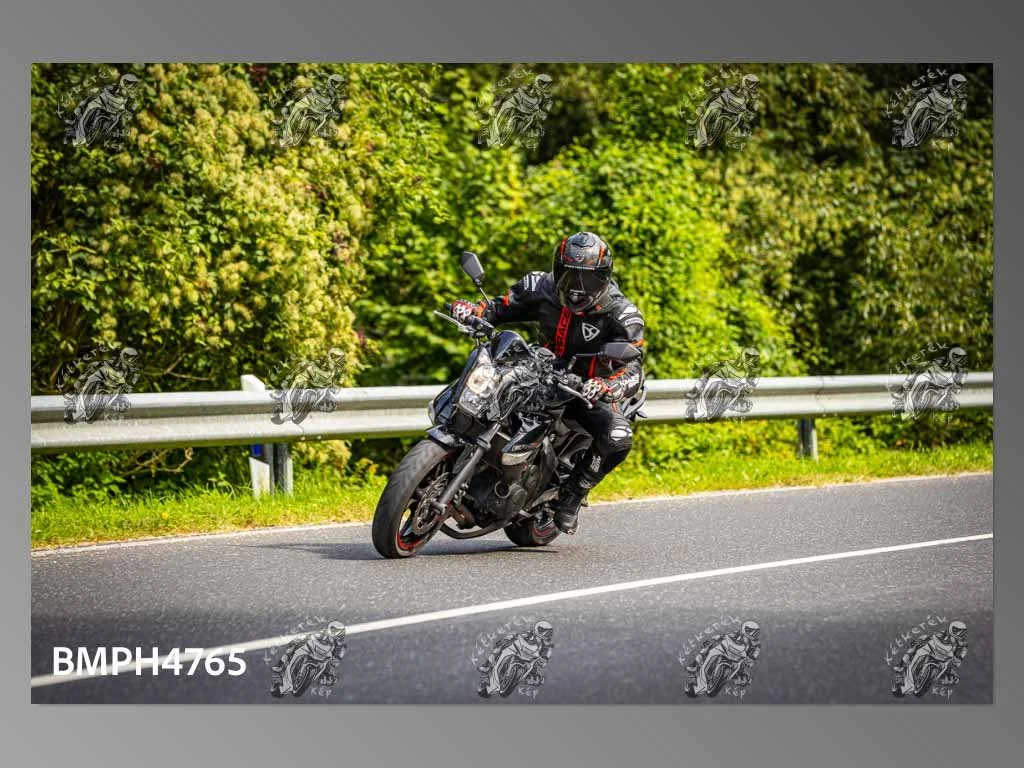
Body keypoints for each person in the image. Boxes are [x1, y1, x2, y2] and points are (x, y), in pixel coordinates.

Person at [448, 231, 645, 535]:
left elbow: (633, 367)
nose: (577, 288)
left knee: (618, 436)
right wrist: (475, 311)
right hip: (539, 369)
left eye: (588, 279)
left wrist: (608, 386)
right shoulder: (540, 286)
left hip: (586, 390)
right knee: (487, 384)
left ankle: (572, 496)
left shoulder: (622, 314)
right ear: (557, 269)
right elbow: (500, 307)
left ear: (605, 277)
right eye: (569, 275)